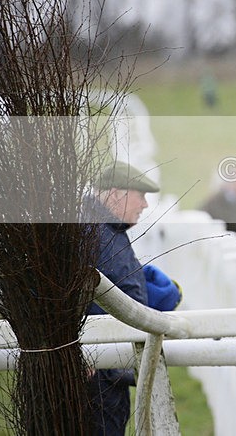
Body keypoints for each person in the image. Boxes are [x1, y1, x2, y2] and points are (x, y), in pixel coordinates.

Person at [84, 160, 182, 436]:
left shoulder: (104, 229)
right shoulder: (90, 231)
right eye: (140, 196)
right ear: (116, 193)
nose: (145, 205)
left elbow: (117, 290)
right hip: (97, 376)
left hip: (110, 371)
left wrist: (152, 292)